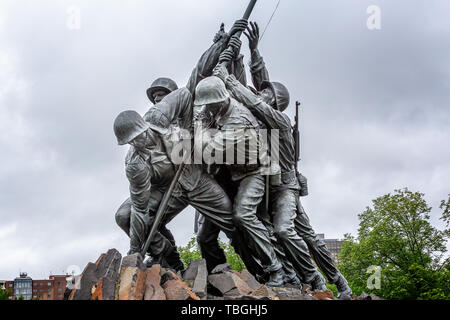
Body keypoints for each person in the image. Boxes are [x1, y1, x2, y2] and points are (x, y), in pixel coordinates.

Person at [193, 76, 287, 286]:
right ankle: (216, 274)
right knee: (204, 236)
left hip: (253, 173)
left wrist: (199, 125)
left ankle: (276, 269)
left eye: (209, 104)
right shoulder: (218, 107)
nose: (206, 108)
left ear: (219, 100)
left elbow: (205, 151)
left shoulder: (237, 119)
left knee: (243, 215)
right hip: (230, 175)